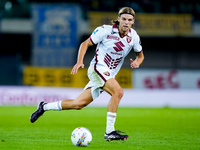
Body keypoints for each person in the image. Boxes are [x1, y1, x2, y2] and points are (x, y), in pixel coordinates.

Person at [30, 7, 144, 142]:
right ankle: (109, 132)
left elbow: (140, 55)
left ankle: (44, 107)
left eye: (129, 20)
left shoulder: (134, 37)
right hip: (98, 68)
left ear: (133, 22)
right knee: (118, 92)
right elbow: (85, 43)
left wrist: (138, 62)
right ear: (118, 19)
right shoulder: (104, 30)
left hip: (109, 74)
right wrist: (79, 61)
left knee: (77, 104)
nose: (126, 22)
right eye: (124, 19)